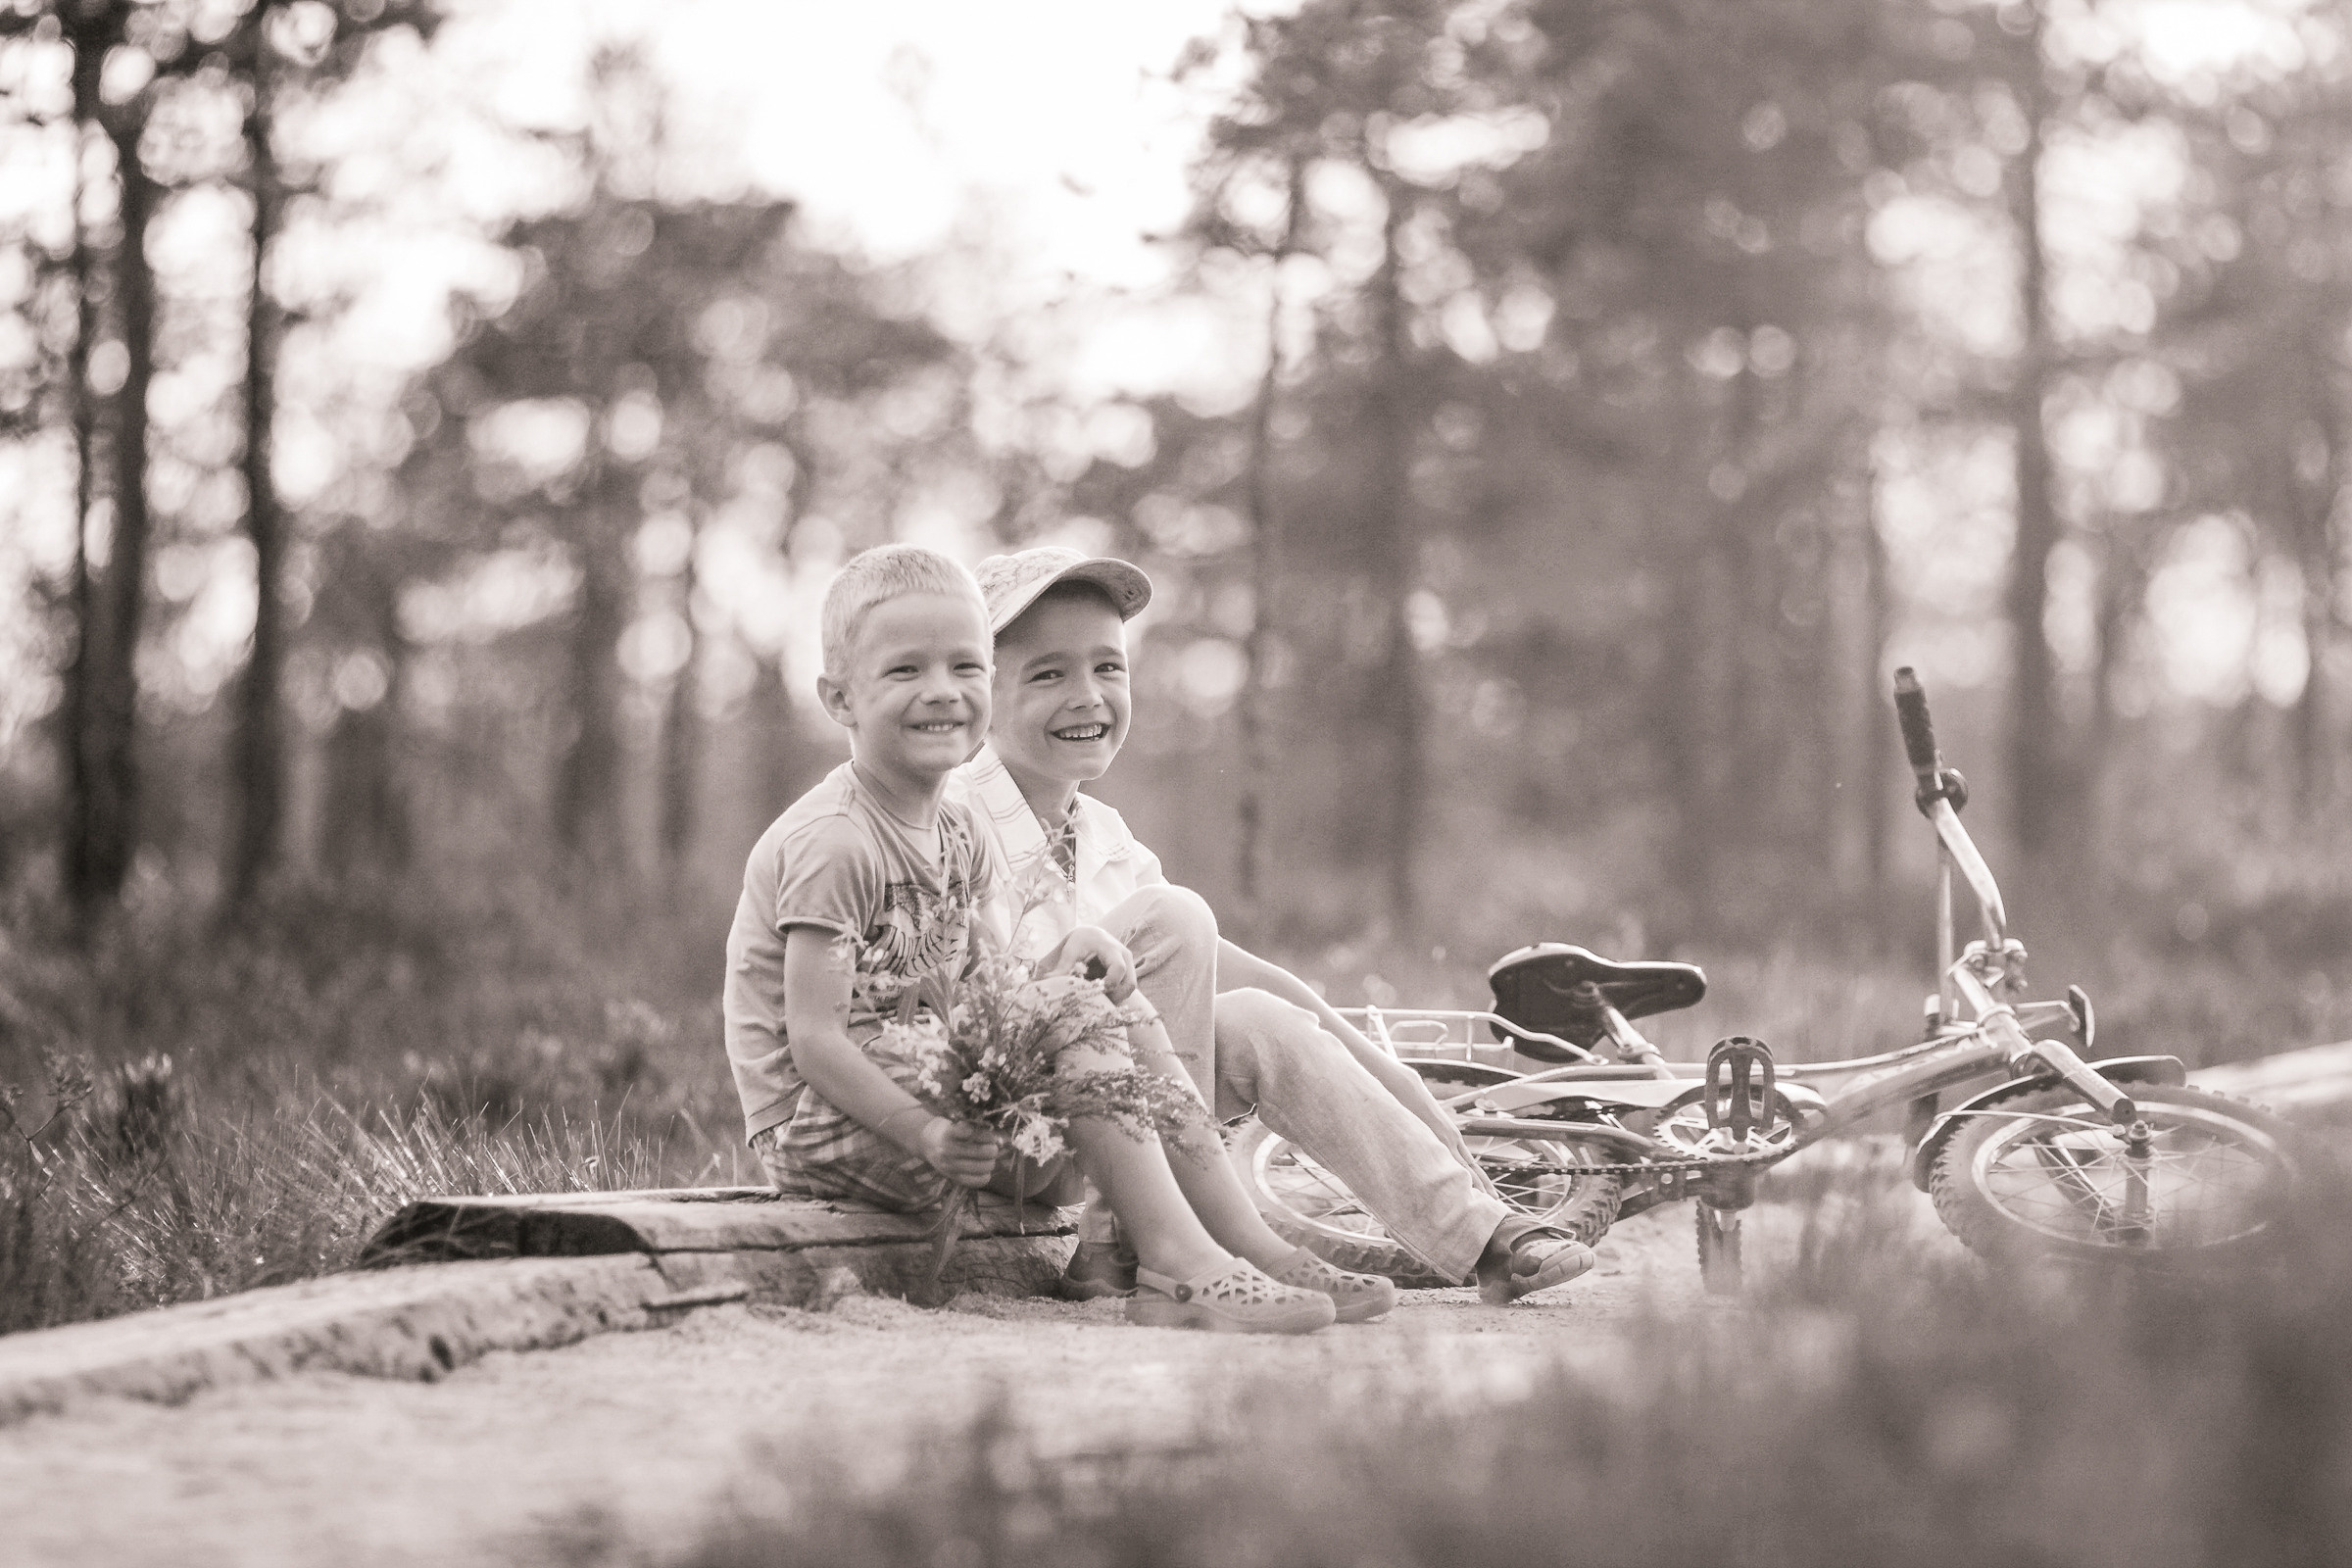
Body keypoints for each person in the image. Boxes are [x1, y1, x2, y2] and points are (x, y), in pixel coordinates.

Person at [719, 542, 1338, 1334]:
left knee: (1093, 1000)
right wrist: (928, 1132)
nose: (943, 692)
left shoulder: (955, 830)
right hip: (824, 1124)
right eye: (906, 671)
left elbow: (991, 993)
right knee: (1071, 1015)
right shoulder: (837, 844)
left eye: (966, 668)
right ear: (839, 698)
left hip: (936, 1089)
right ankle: (1182, 1258)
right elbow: (815, 1042)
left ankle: (1239, 1238)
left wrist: (1063, 964)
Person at [956, 546, 1596, 1305]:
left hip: (1099, 1139)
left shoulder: (1106, 838)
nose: (1088, 696)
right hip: (997, 1132)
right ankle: (1140, 1243)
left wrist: (1392, 1078)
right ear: (983, 697)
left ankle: (1482, 1236)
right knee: (1176, 916)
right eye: (1048, 674)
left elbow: (1232, 969)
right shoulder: (955, 820)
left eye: (1108, 668)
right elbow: (962, 1012)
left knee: (1256, 1012)